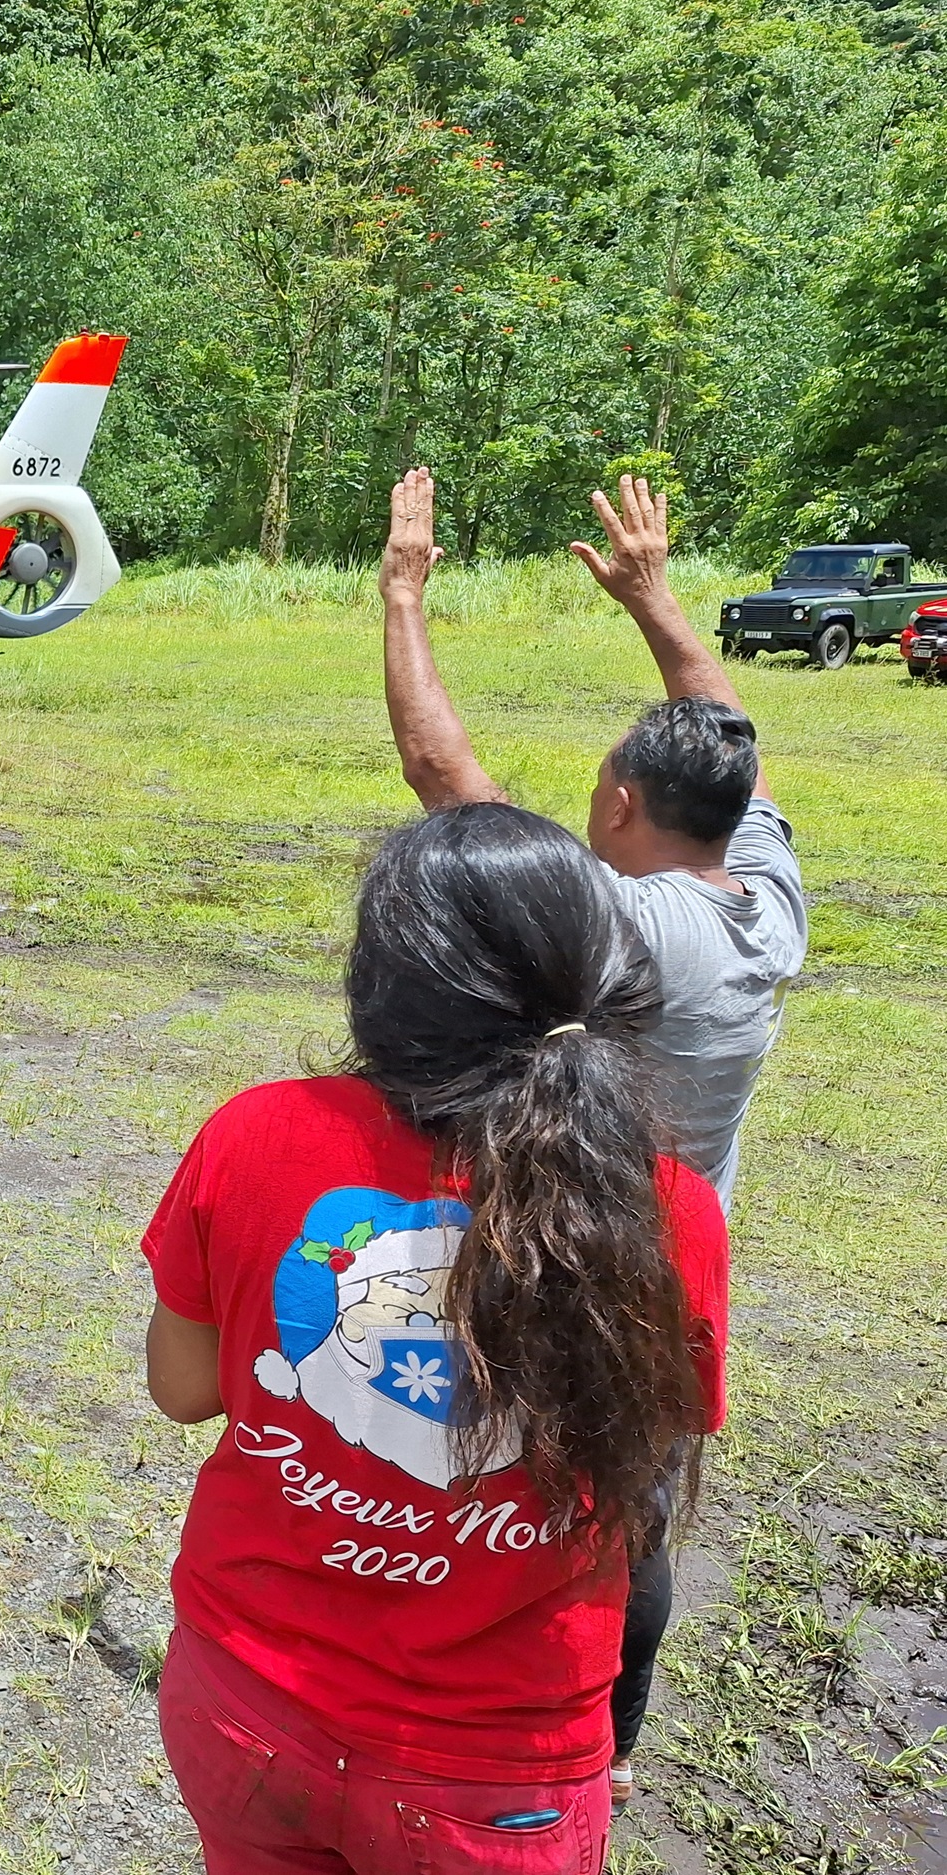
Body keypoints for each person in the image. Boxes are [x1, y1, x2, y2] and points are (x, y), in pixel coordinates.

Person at [143, 806, 731, 1875]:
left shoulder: (254, 1133)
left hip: (248, 1705)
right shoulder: (670, 1209)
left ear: (383, 983)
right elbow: (649, 1459)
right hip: (498, 1771)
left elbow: (183, 1388)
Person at [377, 470, 807, 1803]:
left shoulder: (628, 930)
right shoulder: (765, 894)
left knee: (508, 1489)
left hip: (575, 1248)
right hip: (681, 1267)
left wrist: (402, 596)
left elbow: (449, 782)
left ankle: (491, 1713)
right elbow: (733, 733)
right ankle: (610, 1745)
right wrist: (655, 600)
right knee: (636, 1508)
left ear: (618, 796)